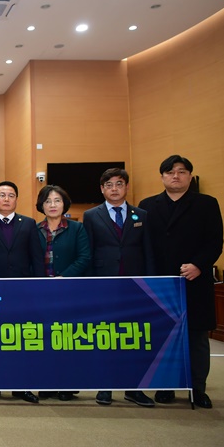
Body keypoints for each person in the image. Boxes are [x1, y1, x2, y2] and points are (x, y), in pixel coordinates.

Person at [138, 155, 223, 409]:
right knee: (163, 336)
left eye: (182, 171)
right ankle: (165, 386)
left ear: (189, 176)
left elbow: (215, 242)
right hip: (160, 285)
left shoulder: (207, 204)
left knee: (197, 337)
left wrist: (198, 265)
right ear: (162, 176)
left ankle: (198, 389)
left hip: (195, 280)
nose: (176, 176)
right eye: (170, 172)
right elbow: (144, 245)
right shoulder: (147, 205)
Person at [83, 168, 156, 407]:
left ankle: (134, 388)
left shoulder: (141, 215)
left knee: (135, 338)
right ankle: (105, 387)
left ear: (126, 187)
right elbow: (89, 252)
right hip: (104, 286)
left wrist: (150, 284)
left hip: (135, 287)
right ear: (102, 189)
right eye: (109, 185)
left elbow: (148, 251)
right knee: (106, 337)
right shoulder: (91, 215)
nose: (114, 189)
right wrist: (91, 286)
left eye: (119, 184)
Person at [0, 180, 45, 404]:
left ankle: (21, 386)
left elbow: (37, 258)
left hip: (22, 292)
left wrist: (39, 287)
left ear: (16, 199)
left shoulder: (29, 224)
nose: (6, 199)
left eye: (11, 195)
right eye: (2, 195)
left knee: (21, 340)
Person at [34, 184, 91, 402]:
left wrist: (63, 277)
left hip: (69, 291)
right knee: (46, 338)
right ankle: (47, 382)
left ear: (64, 204)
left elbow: (84, 258)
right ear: (41, 205)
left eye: (57, 200)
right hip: (42, 293)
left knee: (68, 338)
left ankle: (68, 383)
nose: (52, 205)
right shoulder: (35, 229)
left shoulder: (77, 229)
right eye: (48, 201)